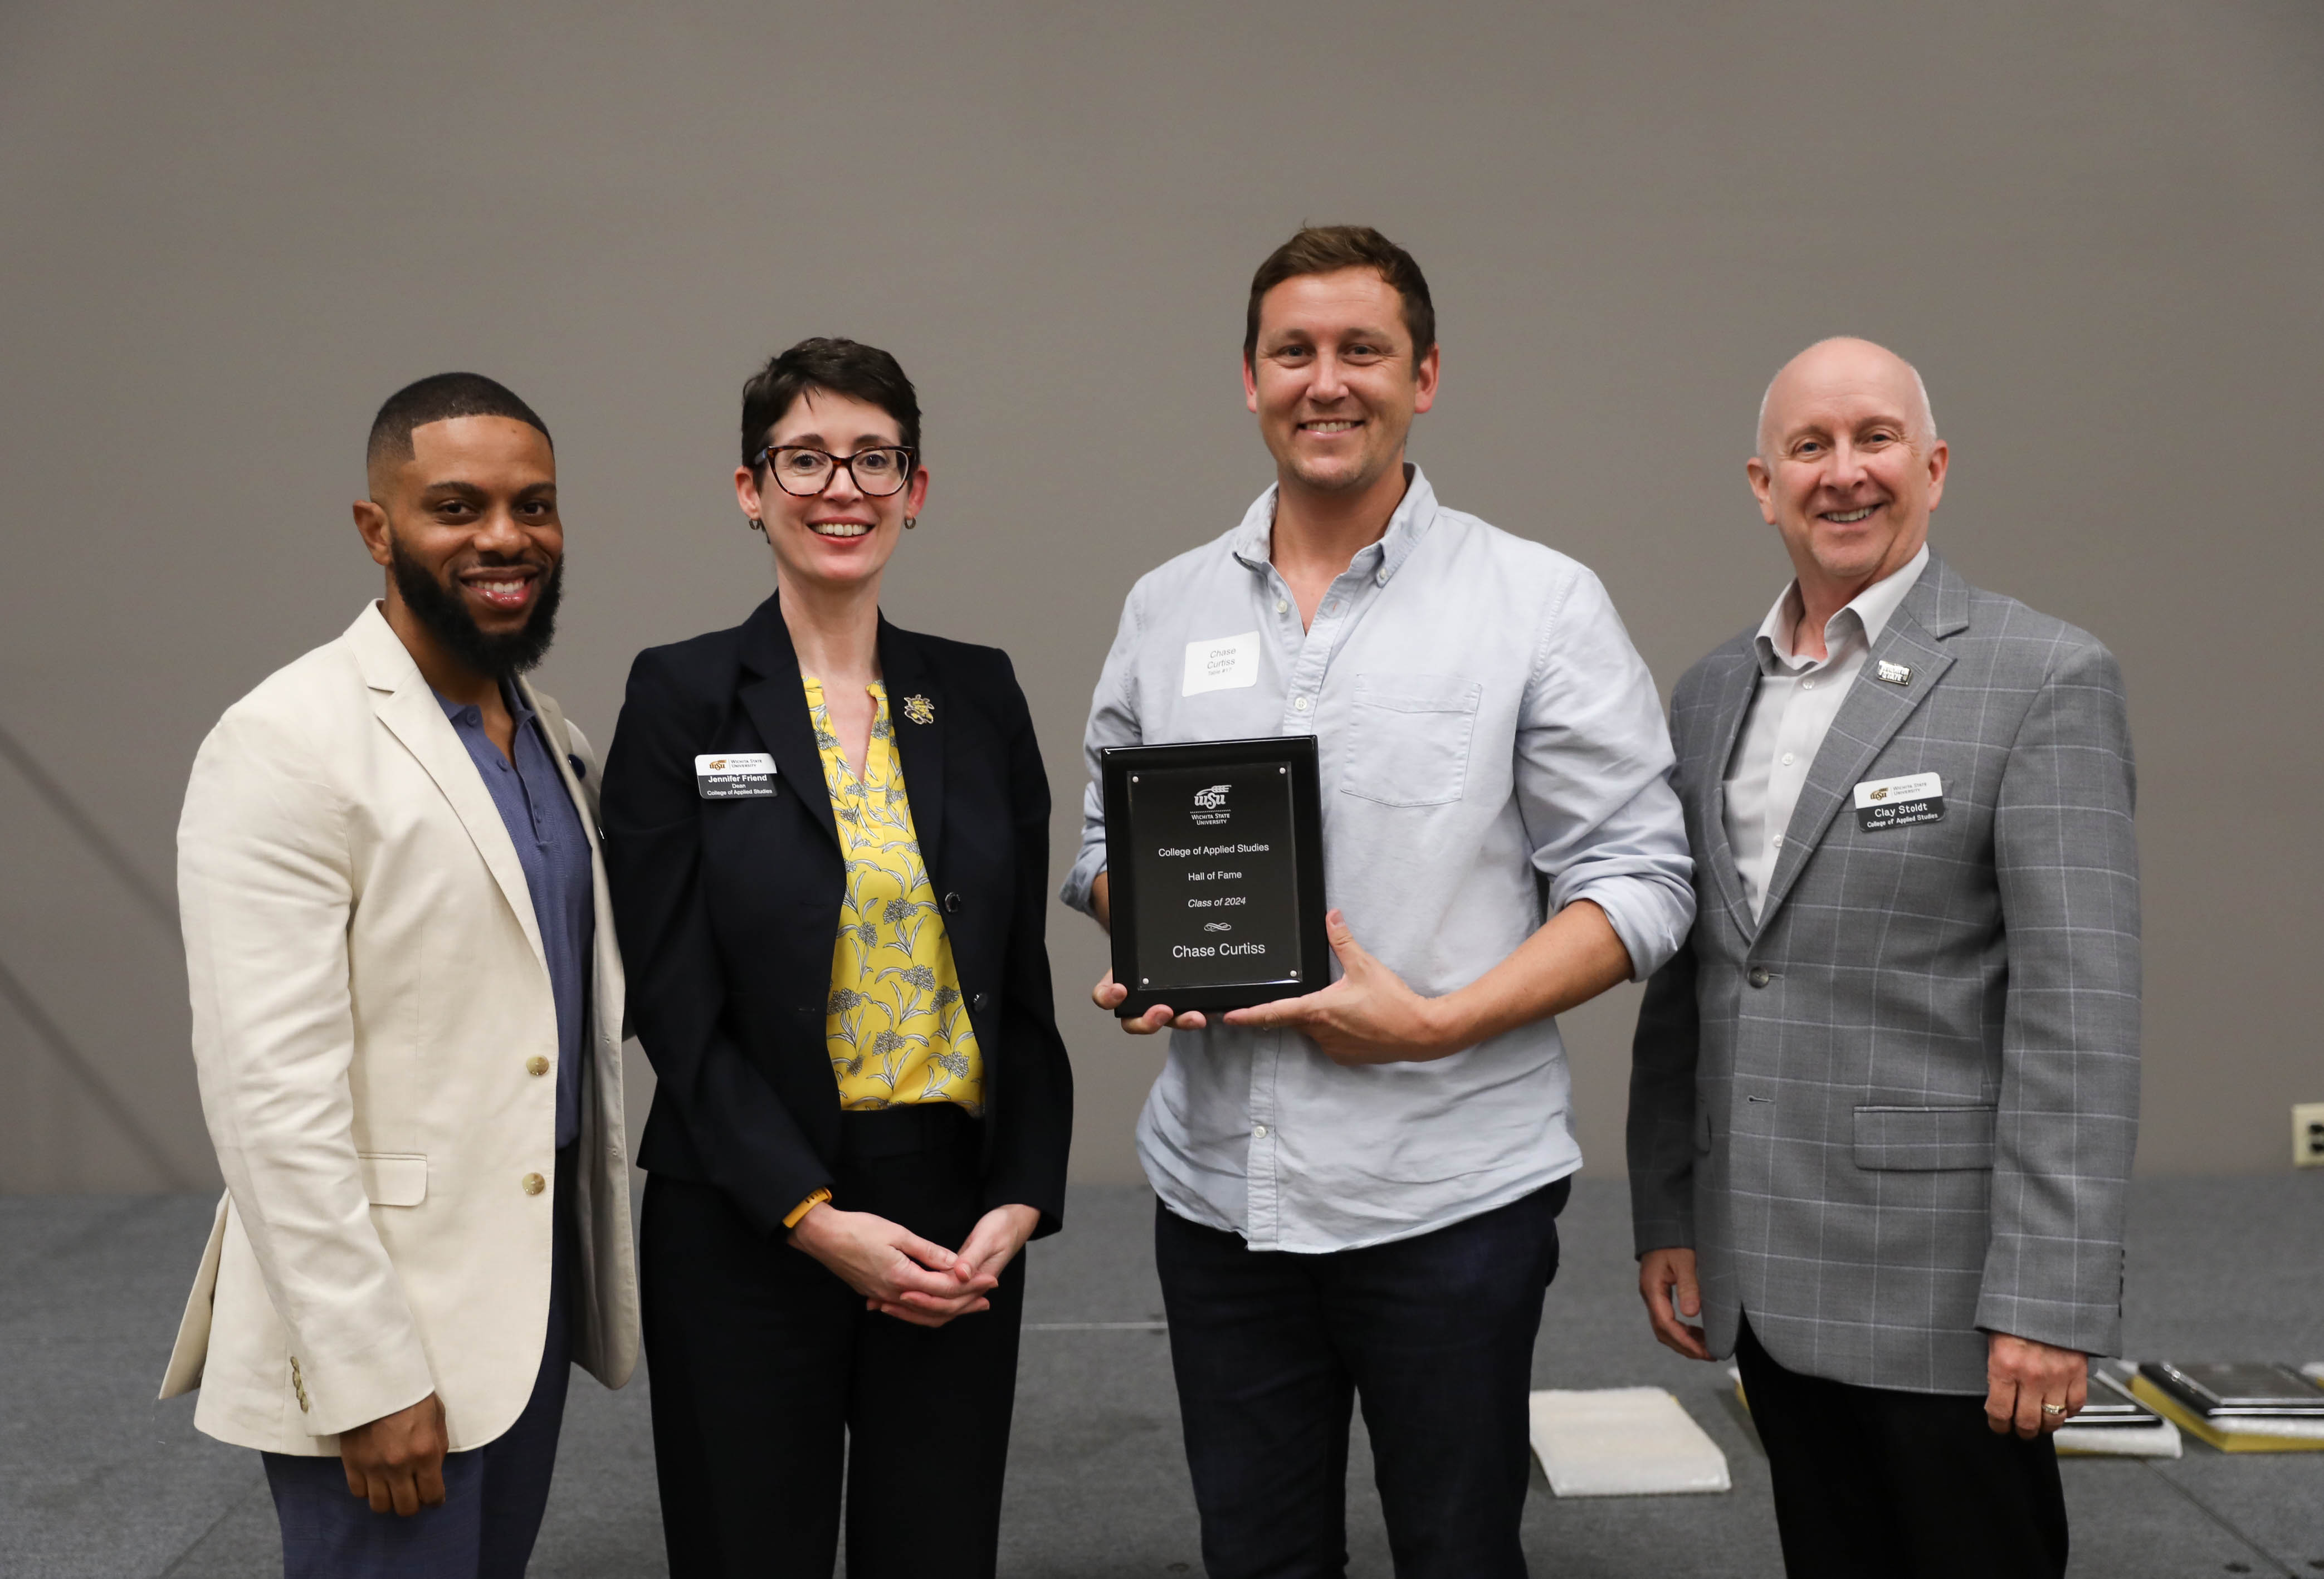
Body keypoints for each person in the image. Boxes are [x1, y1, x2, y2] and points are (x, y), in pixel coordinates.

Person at [1064, 226, 1696, 1579]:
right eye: (1292, 351)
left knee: (1457, 1553)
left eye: (1362, 349)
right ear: (1249, 377)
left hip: (1448, 1198)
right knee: (1255, 1558)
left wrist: (1436, 1022)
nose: (1326, 380)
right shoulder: (1166, 607)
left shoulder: (1537, 602)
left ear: (1424, 376)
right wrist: (1156, 939)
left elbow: (1639, 879)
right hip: (1220, 1198)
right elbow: (1103, 843)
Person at [1625, 337, 2140, 1579]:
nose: (1843, 472)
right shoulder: (1708, 694)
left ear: (1935, 467)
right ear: (1764, 486)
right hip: (1763, 1271)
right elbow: (1700, 978)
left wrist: (2050, 1296)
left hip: (1944, 1296)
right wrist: (1670, 1208)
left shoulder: (2040, 676)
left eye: (1875, 438)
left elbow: (2079, 1014)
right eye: (1809, 446)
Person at [600, 337, 1073, 1579]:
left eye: (873, 459)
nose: (841, 488)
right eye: (804, 459)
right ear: (749, 489)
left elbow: (1014, 980)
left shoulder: (977, 693)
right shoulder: (683, 695)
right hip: (746, 1206)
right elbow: (672, 1000)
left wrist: (1021, 1192)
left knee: (938, 1552)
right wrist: (810, 1216)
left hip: (950, 1211)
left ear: (915, 490)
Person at [159, 372, 639, 1577]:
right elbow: (269, 1098)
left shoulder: (555, 737)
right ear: (377, 529)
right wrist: (367, 1372)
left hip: (523, 1300)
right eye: (457, 507)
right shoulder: (284, 742)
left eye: (534, 506)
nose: (505, 538)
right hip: (383, 1333)